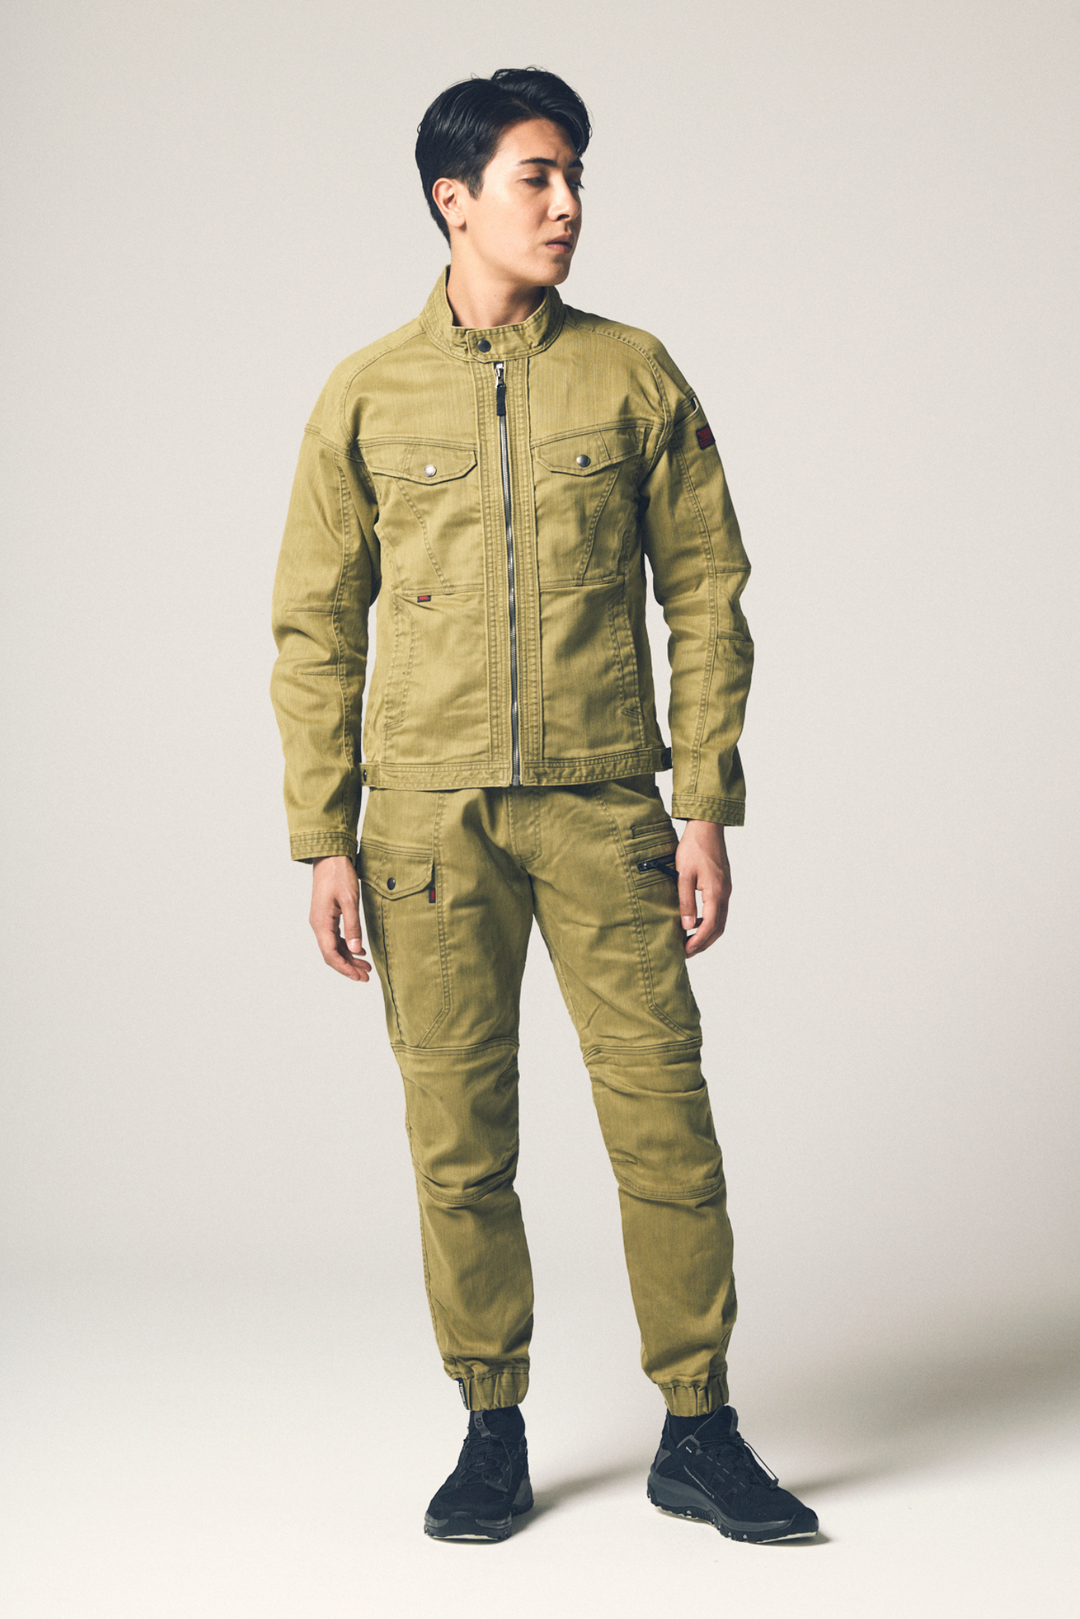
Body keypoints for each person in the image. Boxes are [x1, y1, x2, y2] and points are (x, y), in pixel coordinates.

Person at [270, 67, 817, 1545]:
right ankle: (490, 1427)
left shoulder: (634, 375)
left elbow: (707, 590)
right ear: (453, 200)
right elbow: (315, 624)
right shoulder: (367, 392)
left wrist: (701, 803)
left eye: (576, 175)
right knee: (460, 1143)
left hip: (603, 808)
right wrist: (323, 835)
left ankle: (699, 1429)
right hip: (424, 824)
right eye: (538, 175)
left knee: (665, 1127)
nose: (568, 203)